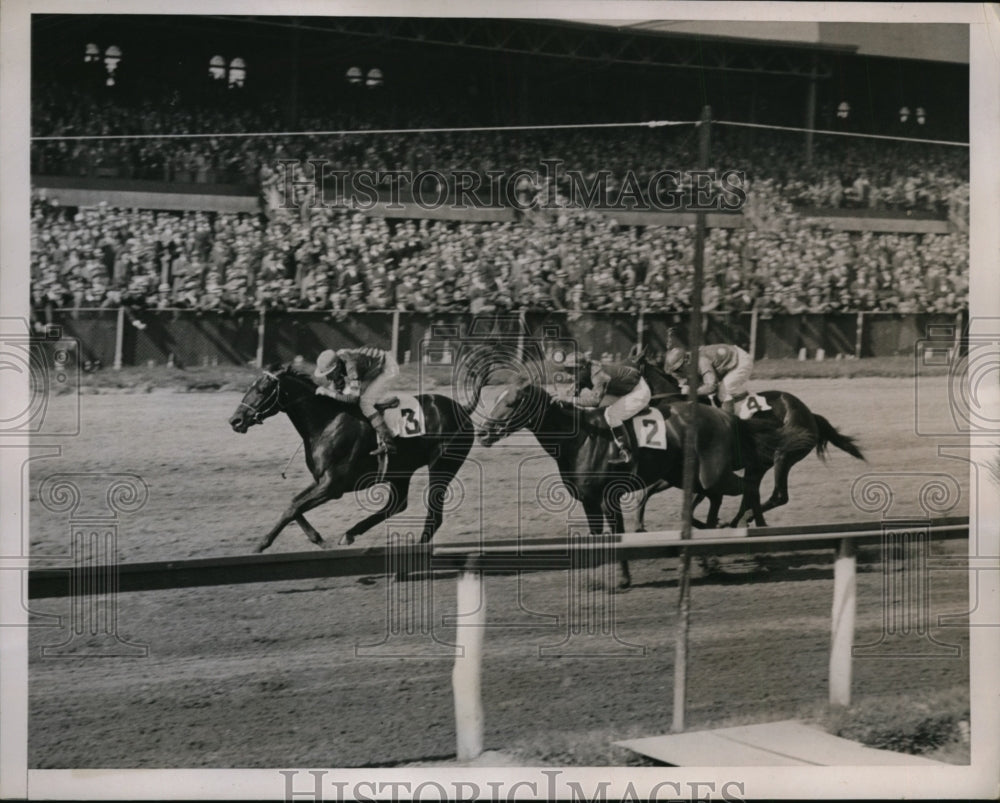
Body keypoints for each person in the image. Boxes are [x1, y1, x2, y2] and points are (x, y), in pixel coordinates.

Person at [562, 352, 651, 467]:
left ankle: (626, 451)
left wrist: (569, 399)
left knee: (611, 414)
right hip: (623, 390)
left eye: (572, 371)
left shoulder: (599, 376)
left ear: (583, 367)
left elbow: (594, 402)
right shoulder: (586, 369)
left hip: (638, 391)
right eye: (567, 371)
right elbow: (576, 393)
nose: (570, 376)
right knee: (597, 411)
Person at [314, 346, 400, 455]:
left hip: (387, 368)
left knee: (365, 403)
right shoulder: (339, 362)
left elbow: (353, 399)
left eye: (330, 374)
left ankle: (389, 443)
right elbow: (337, 387)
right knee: (342, 393)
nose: (328, 378)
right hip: (371, 367)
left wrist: (329, 393)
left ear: (336, 367)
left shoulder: (351, 367)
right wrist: (333, 392)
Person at [663, 343, 754, 415]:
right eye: (674, 371)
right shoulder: (688, 362)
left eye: (678, 369)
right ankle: (739, 398)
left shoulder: (701, 360)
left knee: (724, 390)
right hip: (727, 361)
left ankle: (730, 422)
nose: (677, 373)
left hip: (739, 360)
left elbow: (711, 386)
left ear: (687, 360)